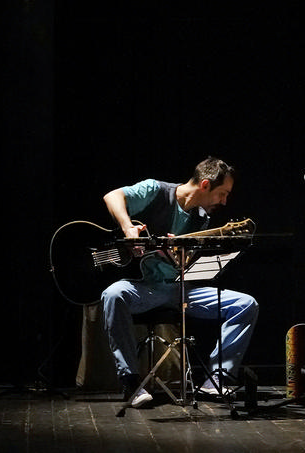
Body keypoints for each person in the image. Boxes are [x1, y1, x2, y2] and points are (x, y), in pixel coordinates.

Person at [100, 157, 258, 408]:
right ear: (205, 184)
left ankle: (215, 380)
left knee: (245, 304)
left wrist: (178, 259)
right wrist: (128, 228)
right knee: (113, 294)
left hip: (179, 288)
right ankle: (131, 382)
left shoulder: (200, 219)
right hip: (145, 287)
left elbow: (185, 266)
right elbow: (112, 196)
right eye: (222, 193)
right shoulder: (156, 191)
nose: (224, 201)